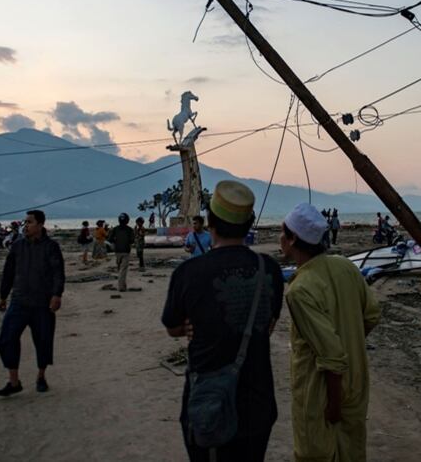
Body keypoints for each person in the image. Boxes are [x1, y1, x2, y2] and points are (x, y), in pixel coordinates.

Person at [162, 180, 284, 462]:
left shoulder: (189, 273)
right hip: (258, 402)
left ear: (210, 222)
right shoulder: (271, 269)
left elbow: (172, 327)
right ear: (249, 223)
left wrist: (190, 328)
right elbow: (270, 324)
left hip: (208, 400)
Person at [279, 202, 381, 462]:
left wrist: (333, 404)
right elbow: (371, 315)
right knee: (352, 451)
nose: (280, 238)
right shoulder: (345, 267)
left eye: (283, 233)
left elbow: (331, 356)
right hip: (356, 381)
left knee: (315, 452)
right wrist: (350, 341)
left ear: (293, 239)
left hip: (322, 392)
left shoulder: (300, 290)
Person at [0, 209, 65, 397]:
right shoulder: (17, 247)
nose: (26, 226)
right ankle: (14, 381)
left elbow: (58, 272)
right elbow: (8, 272)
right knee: (7, 339)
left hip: (43, 303)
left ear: (41, 225)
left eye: (30, 222)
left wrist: (56, 295)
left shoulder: (51, 247)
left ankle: (41, 376)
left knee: (43, 341)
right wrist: (3, 295)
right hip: (19, 301)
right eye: (25, 222)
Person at [107, 213, 135, 291]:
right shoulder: (129, 229)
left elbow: (109, 239)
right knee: (123, 269)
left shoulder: (115, 229)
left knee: (120, 269)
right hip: (126, 251)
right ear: (127, 220)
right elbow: (132, 240)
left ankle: (122, 285)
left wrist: (115, 243)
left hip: (117, 251)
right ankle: (121, 287)